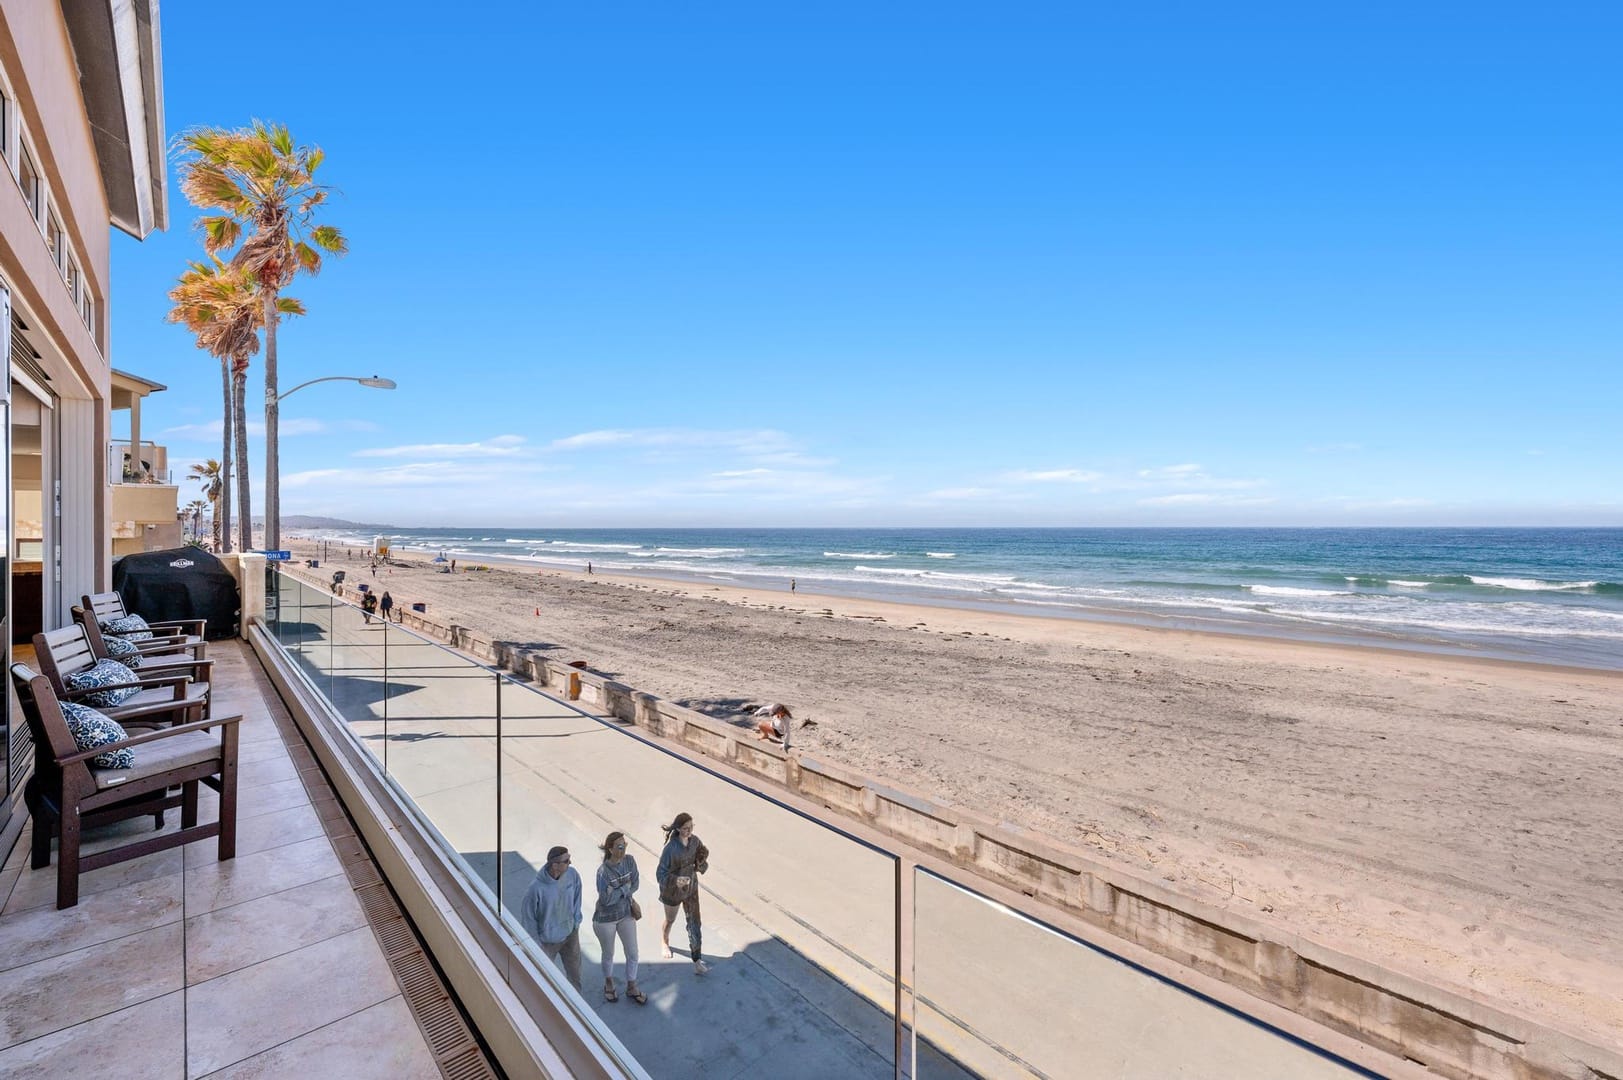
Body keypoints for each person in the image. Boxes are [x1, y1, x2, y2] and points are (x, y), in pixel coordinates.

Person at [593, 832, 646, 1005]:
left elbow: (636, 883)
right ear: (610, 849)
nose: (623, 849)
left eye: (625, 845)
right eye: (619, 846)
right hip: (606, 919)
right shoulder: (603, 872)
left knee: (633, 953)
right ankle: (608, 983)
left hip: (626, 914)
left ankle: (632, 986)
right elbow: (606, 900)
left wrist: (617, 890)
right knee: (608, 954)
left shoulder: (630, 861)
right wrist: (625, 888)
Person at [521, 846, 583, 990]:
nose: (570, 862)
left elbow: (577, 897)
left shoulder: (572, 875)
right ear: (555, 865)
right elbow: (528, 919)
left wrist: (575, 922)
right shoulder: (535, 889)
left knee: (575, 975)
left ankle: (576, 1006)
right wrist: (537, 946)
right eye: (566, 861)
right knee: (543, 978)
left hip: (570, 935)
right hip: (548, 943)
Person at [656, 813, 710, 974]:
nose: (689, 831)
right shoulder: (670, 849)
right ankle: (664, 941)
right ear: (678, 829)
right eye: (686, 828)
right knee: (670, 919)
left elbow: (703, 853)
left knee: (694, 922)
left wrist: (700, 863)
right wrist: (676, 880)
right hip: (672, 891)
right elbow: (660, 874)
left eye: (692, 827)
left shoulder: (695, 841)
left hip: (691, 888)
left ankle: (697, 959)